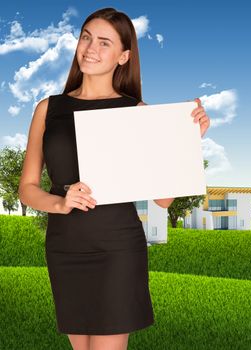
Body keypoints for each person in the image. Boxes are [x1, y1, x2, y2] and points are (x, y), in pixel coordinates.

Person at [18, 7, 210, 350]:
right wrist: (60, 203)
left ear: (123, 56)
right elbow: (28, 188)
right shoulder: (48, 109)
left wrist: (187, 141)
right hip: (66, 246)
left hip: (117, 248)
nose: (90, 48)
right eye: (86, 37)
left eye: (104, 42)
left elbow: (163, 200)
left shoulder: (138, 112)